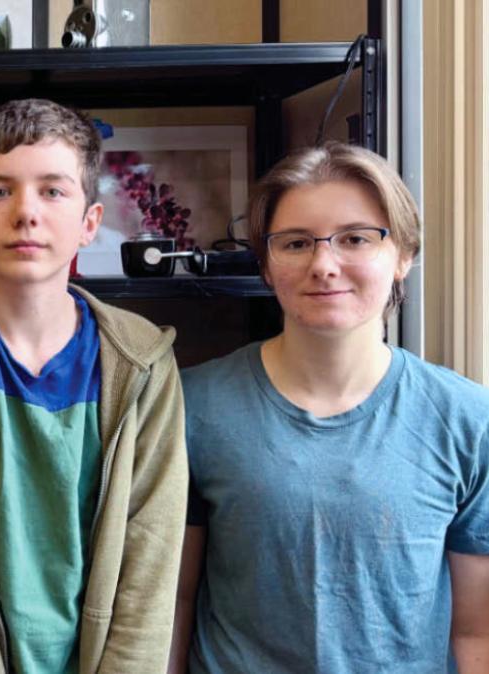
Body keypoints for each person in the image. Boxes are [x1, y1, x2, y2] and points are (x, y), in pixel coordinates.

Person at [0, 98, 188, 673]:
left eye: (53, 190)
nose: (26, 213)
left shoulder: (141, 364)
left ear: (90, 221)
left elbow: (150, 564)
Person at [169, 142, 489, 673]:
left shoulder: (466, 418)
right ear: (267, 266)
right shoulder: (192, 406)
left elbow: (475, 630)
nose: (324, 265)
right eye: (295, 243)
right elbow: (174, 604)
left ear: (404, 255)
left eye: (356, 239)